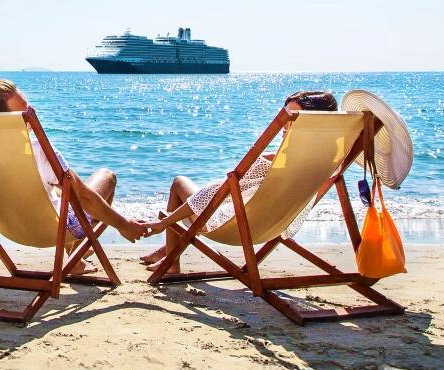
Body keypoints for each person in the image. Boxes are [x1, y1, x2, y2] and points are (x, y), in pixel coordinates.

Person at [140, 89, 338, 267]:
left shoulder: (271, 163)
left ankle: (172, 261)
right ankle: (168, 250)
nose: (285, 127)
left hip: (239, 229)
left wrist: (164, 223)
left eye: (291, 121)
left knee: (179, 183)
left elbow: (216, 193)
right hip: (274, 227)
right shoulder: (328, 161)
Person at [0, 78, 149, 240]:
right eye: (25, 113)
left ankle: (77, 263)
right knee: (106, 176)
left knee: (57, 190)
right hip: (55, 231)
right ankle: (76, 257)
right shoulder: (39, 151)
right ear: (3, 121)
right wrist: (125, 225)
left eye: (30, 108)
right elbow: (85, 198)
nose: (33, 114)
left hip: (9, 230)